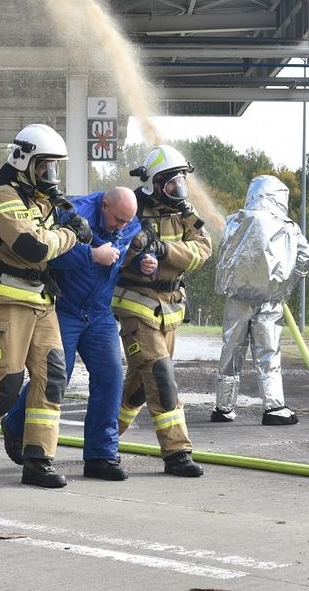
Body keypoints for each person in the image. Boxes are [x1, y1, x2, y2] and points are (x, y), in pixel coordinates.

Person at [0, 123, 92, 488]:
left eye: (53, 168)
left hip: (42, 301)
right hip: (5, 298)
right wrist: (72, 234)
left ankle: (38, 461)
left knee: (53, 379)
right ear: (25, 160)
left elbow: (48, 237)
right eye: (45, 166)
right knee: (6, 388)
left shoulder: (41, 200)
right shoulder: (1, 196)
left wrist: (71, 224)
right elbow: (35, 247)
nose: (50, 174)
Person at [2, 186, 140, 482]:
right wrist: (92, 255)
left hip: (101, 313)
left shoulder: (132, 221)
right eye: (118, 220)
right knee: (56, 376)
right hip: (66, 307)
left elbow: (132, 254)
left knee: (111, 378)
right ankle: (15, 423)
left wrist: (145, 264)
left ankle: (101, 456)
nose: (122, 227)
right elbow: (48, 254)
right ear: (104, 205)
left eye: (127, 222)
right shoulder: (72, 212)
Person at [113, 145, 212, 477]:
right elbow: (113, 247)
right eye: (172, 183)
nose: (178, 190)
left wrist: (164, 250)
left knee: (139, 387)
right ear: (154, 183)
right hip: (135, 306)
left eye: (181, 181)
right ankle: (177, 452)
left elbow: (203, 247)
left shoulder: (183, 212)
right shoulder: (132, 210)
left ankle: (103, 438)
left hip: (170, 310)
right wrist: (138, 255)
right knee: (160, 377)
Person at [211, 174, 309, 425]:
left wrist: (226, 285)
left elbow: (222, 256)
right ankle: (274, 408)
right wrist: (284, 288)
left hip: (236, 300)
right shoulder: (287, 226)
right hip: (268, 301)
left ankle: (223, 408)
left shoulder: (235, 220)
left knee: (231, 351)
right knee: (268, 354)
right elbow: (305, 256)